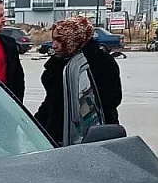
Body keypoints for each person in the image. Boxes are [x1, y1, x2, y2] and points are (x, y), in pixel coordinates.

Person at [34, 15, 121, 145]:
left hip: (89, 136)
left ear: (73, 40)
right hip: (57, 135)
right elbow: (51, 102)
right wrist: (34, 126)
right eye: (54, 40)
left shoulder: (100, 63)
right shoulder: (60, 62)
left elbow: (110, 101)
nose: (54, 45)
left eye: (60, 40)